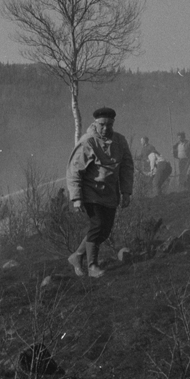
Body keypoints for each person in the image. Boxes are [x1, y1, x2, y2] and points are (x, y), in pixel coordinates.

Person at [66, 107, 134, 278]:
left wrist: (126, 192)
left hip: (110, 192)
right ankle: (92, 267)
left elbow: (126, 167)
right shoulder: (88, 142)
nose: (105, 128)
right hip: (91, 192)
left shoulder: (120, 141)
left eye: (109, 125)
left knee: (104, 230)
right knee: (97, 225)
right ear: (96, 124)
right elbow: (74, 171)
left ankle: (77, 256)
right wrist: (77, 198)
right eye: (102, 125)